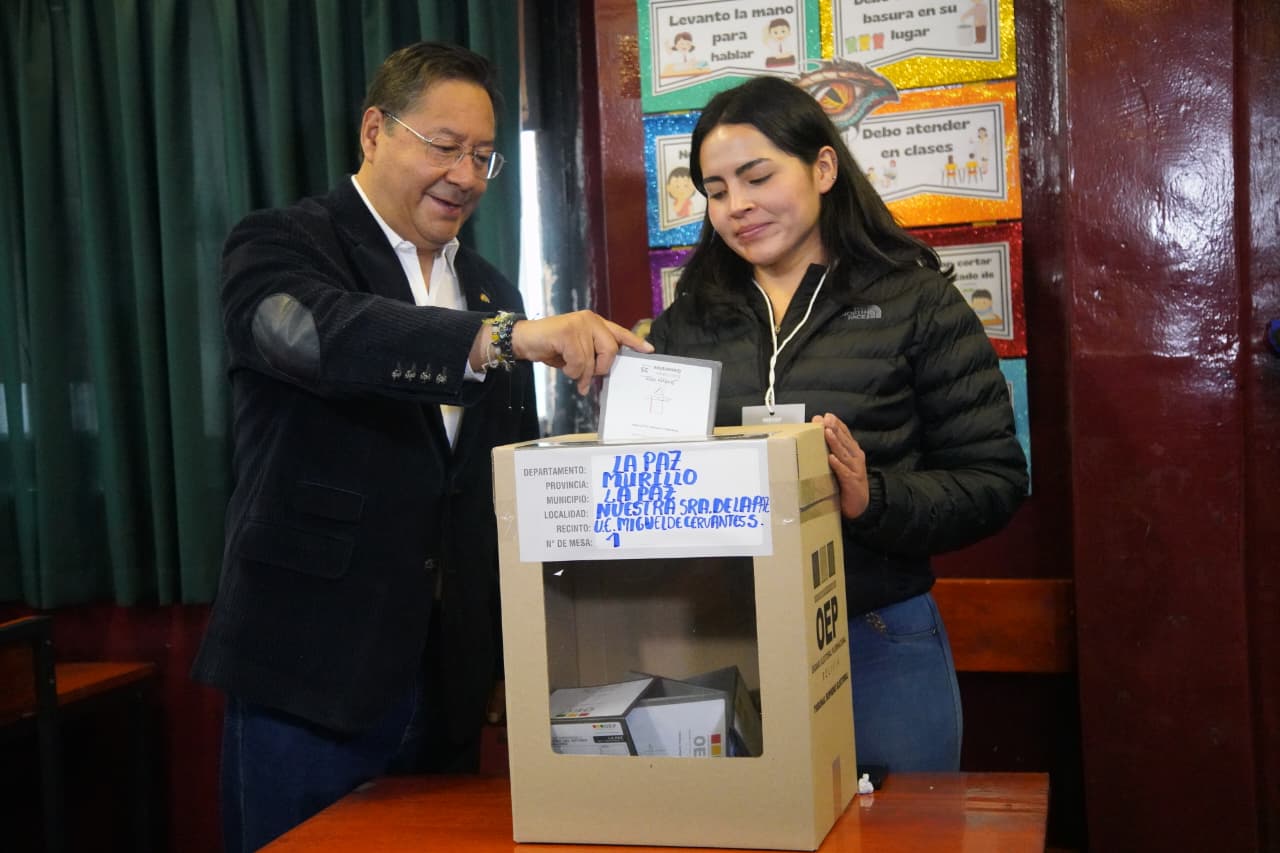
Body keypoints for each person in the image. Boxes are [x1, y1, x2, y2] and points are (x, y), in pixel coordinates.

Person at [191, 41, 650, 852]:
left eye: (482, 156)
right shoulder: (280, 243)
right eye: (444, 147)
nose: (466, 177)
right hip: (314, 667)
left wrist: (510, 657)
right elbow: (318, 335)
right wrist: (500, 338)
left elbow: (493, 489)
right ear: (374, 132)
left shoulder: (490, 289)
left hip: (448, 677)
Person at [646, 76, 1027, 773]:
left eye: (757, 177)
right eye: (717, 189)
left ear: (823, 168)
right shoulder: (688, 321)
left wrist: (871, 497)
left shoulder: (916, 300)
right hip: (725, 639)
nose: (738, 205)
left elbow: (995, 480)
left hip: (878, 634)